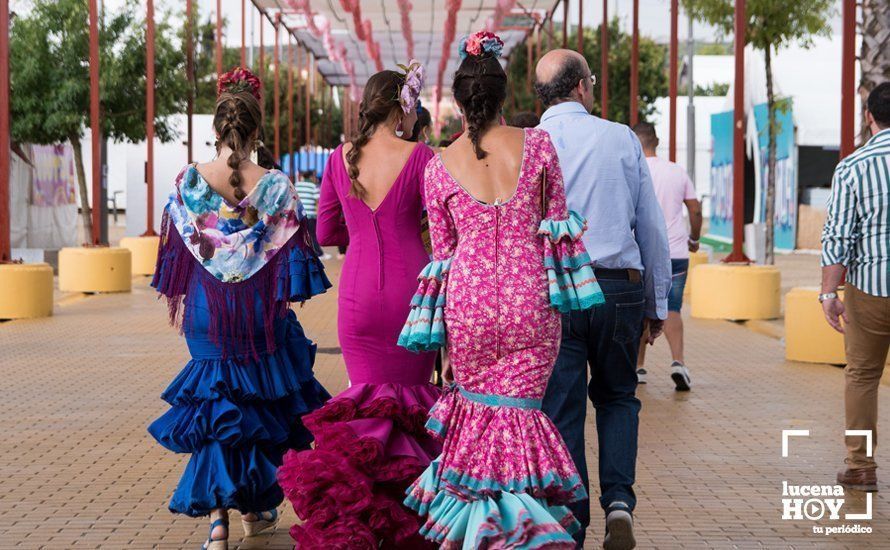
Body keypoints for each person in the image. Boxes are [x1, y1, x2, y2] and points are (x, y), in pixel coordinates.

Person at [398, 31, 604, 548]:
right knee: (521, 422)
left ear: (461, 100)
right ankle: (523, 537)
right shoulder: (538, 145)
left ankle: (480, 536)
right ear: (504, 94)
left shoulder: (439, 164)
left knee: (478, 426)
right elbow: (556, 224)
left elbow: (442, 256)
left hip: (467, 305)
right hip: (530, 300)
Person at [148, 67, 331, 550]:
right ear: (257, 132)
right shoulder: (277, 186)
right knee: (255, 405)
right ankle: (255, 509)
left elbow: (173, 258)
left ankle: (218, 523)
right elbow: (296, 275)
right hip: (256, 316)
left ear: (216, 130)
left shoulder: (188, 182)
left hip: (209, 314)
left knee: (216, 411)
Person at [276, 62, 442, 548]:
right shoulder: (422, 157)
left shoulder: (338, 157)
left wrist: (363, 229)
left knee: (365, 408)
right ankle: (411, 526)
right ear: (401, 107)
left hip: (357, 296)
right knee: (411, 409)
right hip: (412, 296)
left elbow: (326, 231)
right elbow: (442, 226)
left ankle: (364, 530)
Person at [535, 50, 671, 549]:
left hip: (557, 291)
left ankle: (572, 518)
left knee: (562, 406)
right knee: (618, 397)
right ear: (582, 88)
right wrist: (657, 303)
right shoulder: (620, 138)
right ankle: (619, 503)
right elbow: (651, 224)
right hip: (618, 287)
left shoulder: (529, 145)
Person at [821, 82, 890, 493]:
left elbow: (838, 237)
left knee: (863, 376)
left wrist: (829, 293)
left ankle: (861, 466)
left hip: (871, 290)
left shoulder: (853, 166)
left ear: (869, 118)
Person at [632, 122, 702, 391]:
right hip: (675, 250)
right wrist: (694, 239)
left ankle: (637, 366)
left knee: (639, 307)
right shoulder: (676, 171)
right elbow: (694, 210)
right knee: (672, 306)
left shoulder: (633, 169)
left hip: (640, 252)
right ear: (656, 141)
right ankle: (678, 362)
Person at [294, 170, 327, 259]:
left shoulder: (297, 185)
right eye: (315, 177)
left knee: (300, 235)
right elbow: (318, 201)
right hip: (310, 214)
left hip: (299, 214)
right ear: (311, 177)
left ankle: (301, 254)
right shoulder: (313, 186)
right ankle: (319, 253)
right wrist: (319, 214)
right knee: (313, 234)